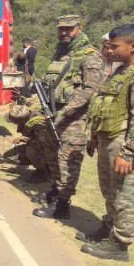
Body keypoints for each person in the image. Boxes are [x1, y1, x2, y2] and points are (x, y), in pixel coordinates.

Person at [81, 24, 134, 262]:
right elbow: (104, 104)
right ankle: (109, 228)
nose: (111, 50)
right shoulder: (121, 71)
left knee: (124, 194)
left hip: (123, 142)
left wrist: (130, 152)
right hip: (108, 138)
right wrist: (94, 136)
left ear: (133, 47)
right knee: (109, 190)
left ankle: (120, 243)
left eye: (116, 46)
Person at [32, 14, 105, 220]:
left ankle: (63, 205)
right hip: (54, 113)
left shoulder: (90, 56)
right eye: (61, 29)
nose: (64, 32)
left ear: (78, 28)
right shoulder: (62, 52)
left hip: (75, 118)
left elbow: (90, 89)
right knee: (52, 155)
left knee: (67, 159)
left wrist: (65, 112)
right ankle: (57, 190)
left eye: (69, 29)